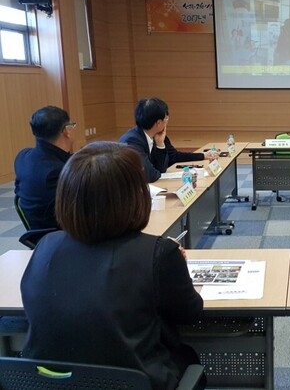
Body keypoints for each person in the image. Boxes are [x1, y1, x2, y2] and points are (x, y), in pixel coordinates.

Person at [20, 142, 204, 390]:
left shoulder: (45, 245)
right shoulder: (158, 253)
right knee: (188, 357)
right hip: (137, 381)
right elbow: (190, 313)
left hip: (48, 384)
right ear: (136, 195)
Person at [13, 106, 75, 230]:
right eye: (72, 125)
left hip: (36, 229)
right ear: (66, 131)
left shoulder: (23, 156)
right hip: (59, 233)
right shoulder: (58, 172)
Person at [119, 98, 207, 182]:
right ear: (159, 123)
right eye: (166, 118)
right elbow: (151, 175)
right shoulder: (132, 141)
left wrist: (160, 144)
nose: (167, 122)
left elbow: (162, 168)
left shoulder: (156, 135)